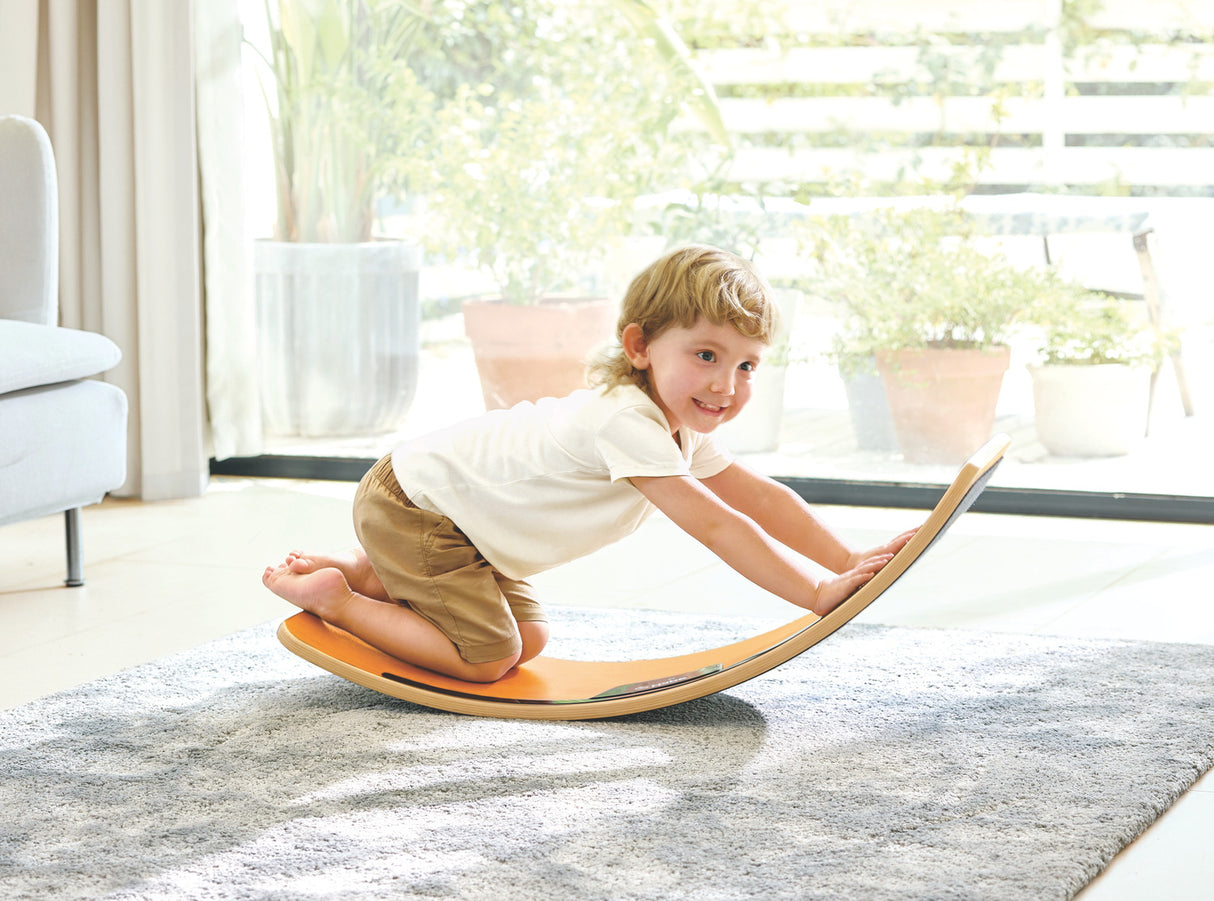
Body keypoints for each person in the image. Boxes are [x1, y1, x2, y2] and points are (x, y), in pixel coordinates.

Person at [262, 245, 916, 683]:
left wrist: (846, 564)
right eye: (707, 355)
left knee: (532, 638)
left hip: (455, 523)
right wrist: (813, 594)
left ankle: (375, 572)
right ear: (640, 345)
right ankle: (342, 599)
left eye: (747, 364)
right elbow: (719, 525)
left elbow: (763, 499)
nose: (727, 383)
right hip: (416, 505)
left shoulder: (674, 422)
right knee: (489, 656)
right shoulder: (624, 420)